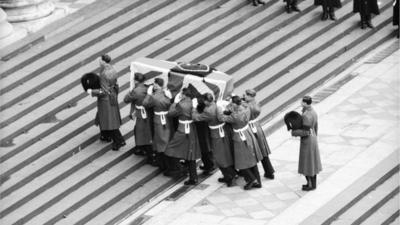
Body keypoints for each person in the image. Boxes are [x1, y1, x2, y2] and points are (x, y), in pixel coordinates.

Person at [218, 96, 263, 190]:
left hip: (240, 137)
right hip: (248, 133)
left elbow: (222, 118)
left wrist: (219, 108)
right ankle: (258, 181)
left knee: (241, 161)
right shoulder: (246, 108)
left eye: (232, 103)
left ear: (235, 104)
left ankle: (251, 179)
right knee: (251, 159)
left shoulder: (235, 116)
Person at [192, 93, 236, 187]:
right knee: (226, 154)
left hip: (216, 134)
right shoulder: (216, 105)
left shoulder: (208, 110)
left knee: (219, 156)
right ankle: (230, 174)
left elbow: (196, 117)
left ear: (206, 101)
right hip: (223, 132)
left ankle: (229, 176)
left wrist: (194, 109)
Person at [87, 54, 125, 151]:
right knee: (105, 117)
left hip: (105, 99)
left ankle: (119, 140)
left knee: (109, 119)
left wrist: (92, 91)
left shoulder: (103, 73)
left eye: (100, 60)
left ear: (103, 61)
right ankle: (105, 134)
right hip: (112, 95)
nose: (99, 61)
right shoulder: (112, 69)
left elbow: (103, 91)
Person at [164, 88, 202, 185]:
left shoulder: (181, 104)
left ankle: (180, 170)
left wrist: (174, 103)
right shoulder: (193, 103)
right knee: (190, 154)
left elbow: (170, 113)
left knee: (170, 149)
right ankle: (193, 177)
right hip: (191, 129)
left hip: (182, 129)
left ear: (184, 95)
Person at [243, 89, 275, 179]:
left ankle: (255, 175)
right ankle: (269, 171)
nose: (244, 96)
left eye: (245, 95)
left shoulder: (248, 106)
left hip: (251, 128)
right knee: (263, 150)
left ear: (250, 96)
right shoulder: (256, 103)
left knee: (254, 151)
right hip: (257, 126)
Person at [291, 96, 322, 191]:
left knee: (307, 163)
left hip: (307, 140)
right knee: (312, 162)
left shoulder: (306, 115)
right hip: (313, 138)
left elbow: (305, 131)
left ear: (305, 103)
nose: (301, 103)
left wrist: (294, 132)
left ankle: (310, 185)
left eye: (302, 102)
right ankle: (312, 183)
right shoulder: (313, 112)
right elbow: (315, 126)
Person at [142, 78, 173, 170]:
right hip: (167, 118)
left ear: (155, 86)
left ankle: (162, 163)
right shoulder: (166, 95)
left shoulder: (154, 97)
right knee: (166, 138)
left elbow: (145, 104)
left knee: (159, 141)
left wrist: (148, 94)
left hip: (158, 119)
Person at [123, 73, 154, 162]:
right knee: (146, 131)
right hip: (148, 112)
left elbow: (126, 99)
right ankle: (141, 148)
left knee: (141, 132)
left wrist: (130, 91)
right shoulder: (148, 88)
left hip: (141, 113)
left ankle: (145, 150)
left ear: (136, 81)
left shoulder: (136, 91)